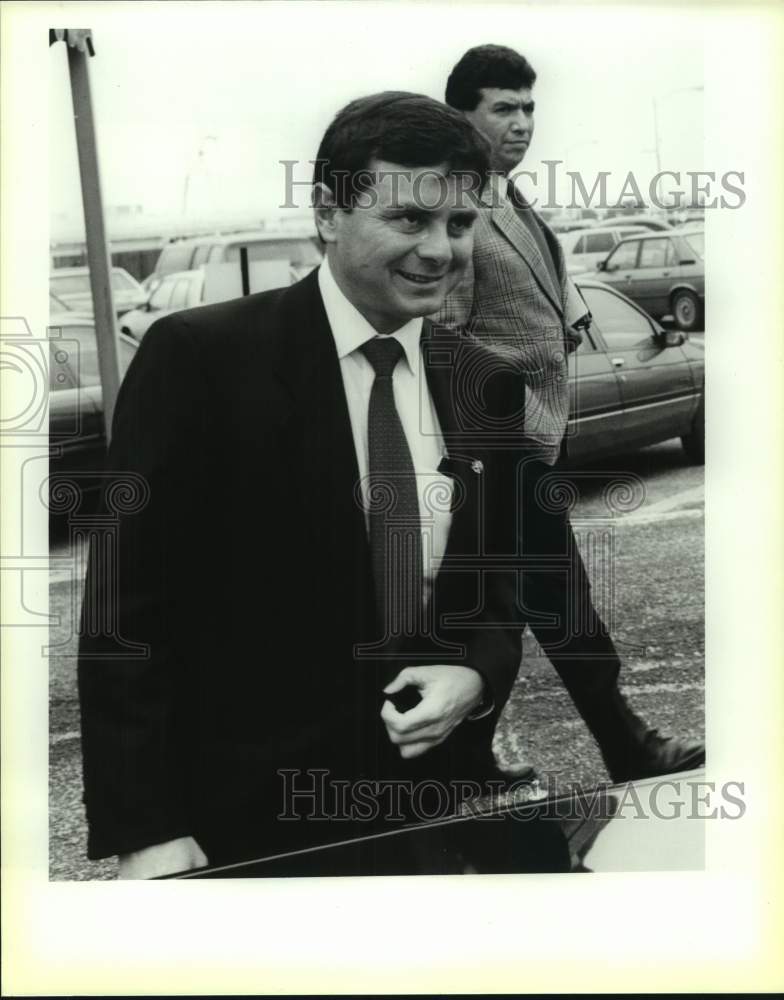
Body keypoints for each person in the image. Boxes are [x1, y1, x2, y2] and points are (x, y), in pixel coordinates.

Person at [77, 91, 570, 879]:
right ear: (327, 213)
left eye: (459, 223)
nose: (440, 249)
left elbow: (498, 582)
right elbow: (126, 611)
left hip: (431, 817)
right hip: (248, 827)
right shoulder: (199, 361)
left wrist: (476, 669)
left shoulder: (485, 383)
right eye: (408, 219)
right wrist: (147, 827)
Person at [439, 44, 705, 782]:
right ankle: (625, 743)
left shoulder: (504, 194)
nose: (523, 123)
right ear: (462, 115)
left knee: (496, 599)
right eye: (504, 108)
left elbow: (527, 290)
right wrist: (503, 417)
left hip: (528, 438)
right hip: (498, 446)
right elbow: (444, 337)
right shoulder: (456, 207)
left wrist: (563, 320)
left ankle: (465, 756)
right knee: (558, 597)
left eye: (529, 107)